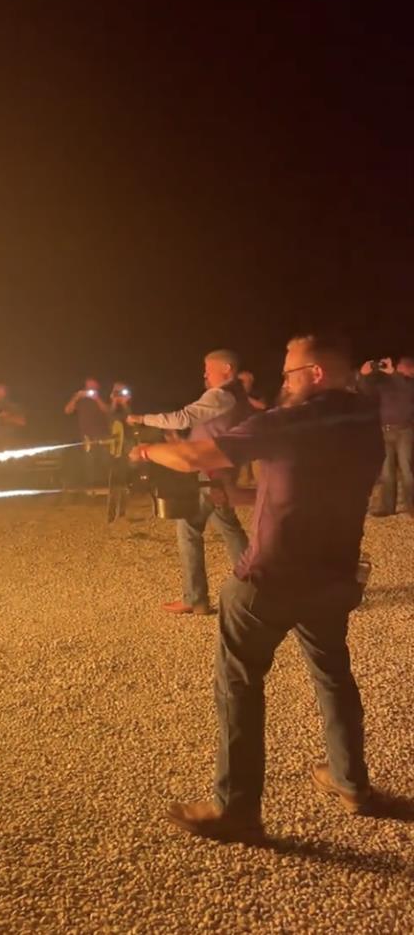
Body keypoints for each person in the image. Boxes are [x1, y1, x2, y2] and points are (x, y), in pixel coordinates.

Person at [129, 334, 383, 841]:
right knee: (332, 675)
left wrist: (146, 448)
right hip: (332, 577)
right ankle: (352, 783)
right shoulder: (363, 421)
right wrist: (243, 493)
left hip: (270, 578)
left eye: (289, 373)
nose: (282, 383)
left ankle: (236, 809)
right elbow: (307, 485)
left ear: (313, 374)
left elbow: (193, 456)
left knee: (240, 686)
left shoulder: (287, 421)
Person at [127, 350, 251, 615]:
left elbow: (183, 418)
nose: (204, 373)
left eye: (208, 368)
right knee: (230, 529)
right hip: (220, 471)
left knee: (189, 528)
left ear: (226, 368)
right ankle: (255, 587)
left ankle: (196, 599)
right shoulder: (236, 396)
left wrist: (142, 419)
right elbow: (214, 432)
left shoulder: (221, 395)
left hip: (210, 472)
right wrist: (183, 445)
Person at [358, 356, 414, 516]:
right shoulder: (385, 382)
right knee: (386, 472)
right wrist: (364, 375)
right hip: (385, 430)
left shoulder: (408, 383)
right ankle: (387, 507)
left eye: (403, 366)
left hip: (405, 431)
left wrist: (392, 373)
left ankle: (412, 506)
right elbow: (365, 392)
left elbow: (406, 391)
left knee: (407, 470)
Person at [64, 378, 110, 488]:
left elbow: (107, 411)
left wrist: (97, 398)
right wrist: (76, 397)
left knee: (104, 459)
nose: (90, 389)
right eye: (88, 386)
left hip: (102, 434)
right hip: (86, 436)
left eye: (93, 386)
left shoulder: (101, 396)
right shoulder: (80, 399)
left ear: (97, 386)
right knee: (89, 461)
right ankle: (92, 486)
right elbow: (67, 410)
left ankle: (106, 483)